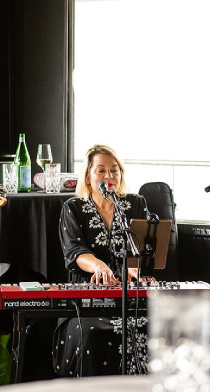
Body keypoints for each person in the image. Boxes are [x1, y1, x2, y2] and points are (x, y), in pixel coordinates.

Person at [54, 144, 150, 376]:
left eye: (114, 170)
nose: (109, 176)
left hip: (130, 300)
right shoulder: (73, 207)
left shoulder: (135, 204)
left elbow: (143, 248)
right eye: (101, 170)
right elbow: (74, 250)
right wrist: (99, 265)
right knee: (92, 333)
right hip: (86, 303)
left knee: (155, 328)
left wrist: (135, 270)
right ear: (88, 177)